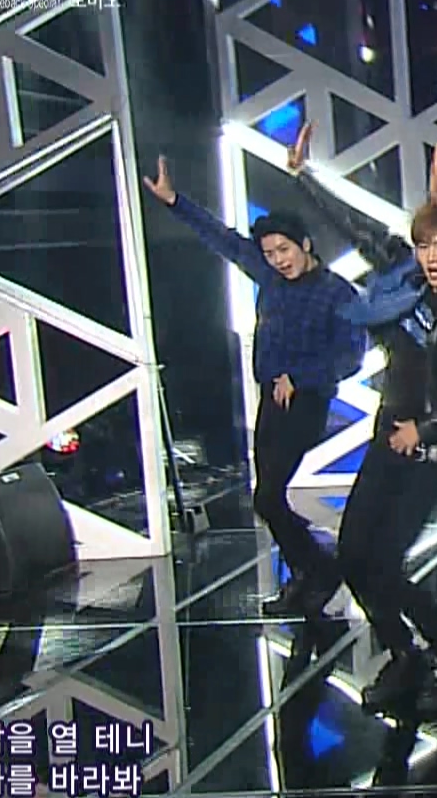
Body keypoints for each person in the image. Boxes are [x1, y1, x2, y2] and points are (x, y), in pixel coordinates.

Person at [286, 129, 437, 717]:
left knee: (386, 560)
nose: (432, 257)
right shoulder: (402, 279)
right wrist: (303, 178)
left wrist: (425, 430)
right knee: (352, 553)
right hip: (389, 435)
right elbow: (355, 228)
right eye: (424, 246)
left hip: (430, 448)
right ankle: (403, 654)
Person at [143, 153, 366, 618]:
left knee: (268, 496)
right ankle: (306, 574)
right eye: (270, 254)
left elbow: (349, 357)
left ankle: (321, 568)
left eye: (284, 250)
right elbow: (222, 239)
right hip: (270, 399)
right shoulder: (269, 277)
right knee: (267, 499)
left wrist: (299, 377)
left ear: (305, 245)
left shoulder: (337, 292)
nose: (278, 260)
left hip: (306, 402)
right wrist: (174, 201)